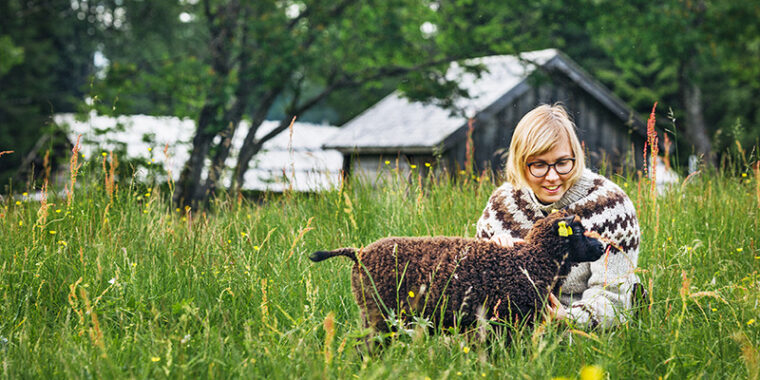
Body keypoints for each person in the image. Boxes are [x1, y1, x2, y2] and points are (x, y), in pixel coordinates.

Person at [476, 103, 641, 329]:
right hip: (512, 328)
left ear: (576, 156)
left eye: (563, 163)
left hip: (584, 331)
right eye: (539, 165)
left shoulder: (610, 206)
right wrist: (490, 256)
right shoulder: (501, 206)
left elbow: (613, 299)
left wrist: (568, 319)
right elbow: (475, 289)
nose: (553, 176)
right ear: (520, 163)